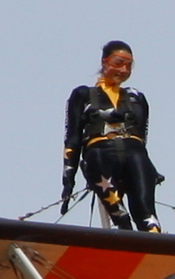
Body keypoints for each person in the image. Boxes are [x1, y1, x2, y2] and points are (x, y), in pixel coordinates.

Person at [63, 41, 163, 233]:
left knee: (146, 211)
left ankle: (156, 246)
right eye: (118, 63)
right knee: (117, 210)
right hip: (100, 151)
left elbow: (142, 137)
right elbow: (72, 138)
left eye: (128, 65)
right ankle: (125, 237)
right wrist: (68, 178)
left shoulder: (136, 97)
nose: (123, 70)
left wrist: (149, 169)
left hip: (134, 152)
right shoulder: (83, 94)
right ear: (105, 62)